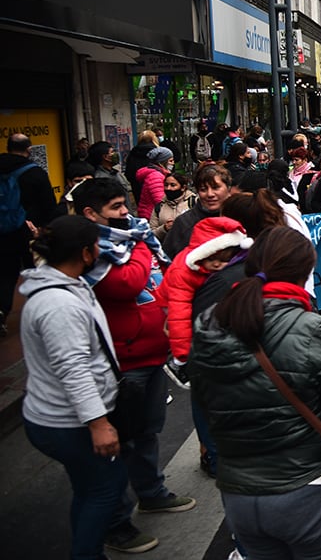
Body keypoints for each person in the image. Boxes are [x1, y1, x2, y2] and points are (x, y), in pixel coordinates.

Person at [189, 227, 321, 560]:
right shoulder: (309, 328)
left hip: (239, 495)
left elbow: (204, 402)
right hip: (308, 490)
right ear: (303, 274)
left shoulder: (208, 325)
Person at [72, 179, 195, 553]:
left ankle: (151, 491)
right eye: (115, 208)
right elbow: (127, 284)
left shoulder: (125, 241)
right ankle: (117, 523)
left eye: (124, 206)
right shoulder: (92, 249)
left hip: (150, 352)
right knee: (118, 443)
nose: (126, 213)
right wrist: (141, 245)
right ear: (90, 214)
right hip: (123, 362)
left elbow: (159, 278)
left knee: (146, 432)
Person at [19, 216, 131, 560]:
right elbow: (73, 370)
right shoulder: (59, 305)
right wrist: (98, 424)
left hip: (68, 418)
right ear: (85, 252)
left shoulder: (70, 285)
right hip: (67, 422)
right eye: (97, 245)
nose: (102, 251)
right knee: (103, 490)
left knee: (90, 489)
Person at [161, 217, 253, 389]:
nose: (217, 265)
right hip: (170, 304)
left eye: (224, 260)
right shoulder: (183, 272)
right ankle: (176, 365)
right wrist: (182, 355)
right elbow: (178, 316)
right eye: (211, 259)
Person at [0, 133, 57, 334]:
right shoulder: (35, 173)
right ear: (29, 149)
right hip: (30, 231)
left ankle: (2, 309)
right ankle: (43, 312)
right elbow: (49, 205)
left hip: (2, 233)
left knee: (6, 272)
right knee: (39, 271)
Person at [162, 164, 234, 258]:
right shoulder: (184, 223)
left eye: (215, 188)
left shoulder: (241, 216)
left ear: (228, 188)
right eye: (203, 189)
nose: (210, 194)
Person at [149, 172, 197, 241]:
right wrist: (164, 228)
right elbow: (151, 234)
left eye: (173, 185)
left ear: (183, 187)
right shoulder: (159, 207)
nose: (168, 188)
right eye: (166, 185)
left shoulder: (194, 202)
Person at [134, 147, 173, 221]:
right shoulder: (156, 176)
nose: (173, 163)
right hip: (151, 215)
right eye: (170, 160)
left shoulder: (157, 174)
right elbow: (160, 200)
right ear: (162, 162)